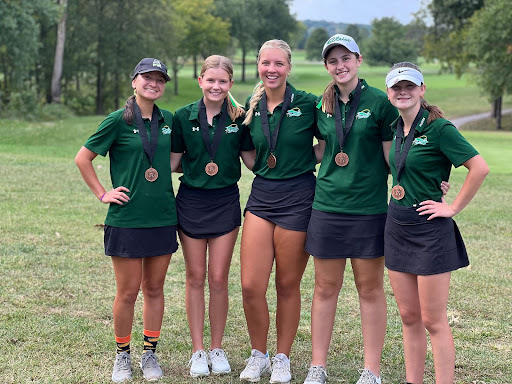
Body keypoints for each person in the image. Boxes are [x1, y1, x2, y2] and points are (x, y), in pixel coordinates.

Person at [301, 34, 398, 384]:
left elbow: (393, 156)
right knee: (325, 288)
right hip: (326, 206)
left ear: (358, 59)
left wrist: (427, 180)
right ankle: (317, 367)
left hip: (369, 208)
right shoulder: (321, 105)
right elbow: (322, 148)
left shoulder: (380, 102)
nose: (339, 65)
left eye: (346, 58)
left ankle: (371, 370)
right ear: (326, 66)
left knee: (369, 289)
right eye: (332, 60)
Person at [383, 62, 488, 384]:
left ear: (422, 90)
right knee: (408, 316)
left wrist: (453, 206)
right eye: (397, 87)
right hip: (397, 226)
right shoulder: (394, 129)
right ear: (389, 93)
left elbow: (479, 167)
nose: (403, 92)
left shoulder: (439, 128)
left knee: (433, 319)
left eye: (409, 86)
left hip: (429, 229)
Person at [75, 58, 177, 383]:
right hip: (127, 219)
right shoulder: (118, 120)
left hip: (162, 217)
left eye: (160, 79)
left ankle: (150, 353)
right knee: (128, 292)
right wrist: (103, 193)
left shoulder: (168, 121)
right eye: (148, 77)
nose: (154, 83)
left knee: (155, 288)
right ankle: (122, 356)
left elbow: (175, 161)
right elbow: (83, 158)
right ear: (134, 81)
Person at [239, 39, 321, 384]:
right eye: (265, 63)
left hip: (299, 197)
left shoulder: (308, 103)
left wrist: (304, 162)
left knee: (287, 285)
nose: (271, 69)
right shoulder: (251, 104)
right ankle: (259, 354)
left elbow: (332, 141)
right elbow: (245, 149)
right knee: (250, 285)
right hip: (262, 198)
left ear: (289, 68)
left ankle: (282, 358)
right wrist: (264, 169)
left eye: (279, 64)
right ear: (259, 65)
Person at [169, 55, 254, 378]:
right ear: (201, 81)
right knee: (195, 277)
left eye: (223, 81)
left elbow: (251, 161)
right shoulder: (182, 117)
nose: (216, 86)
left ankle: (217, 348)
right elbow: (173, 162)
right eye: (211, 80)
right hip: (190, 200)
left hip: (225, 201)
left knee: (218, 278)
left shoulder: (240, 118)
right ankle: (197, 351)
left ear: (230, 84)